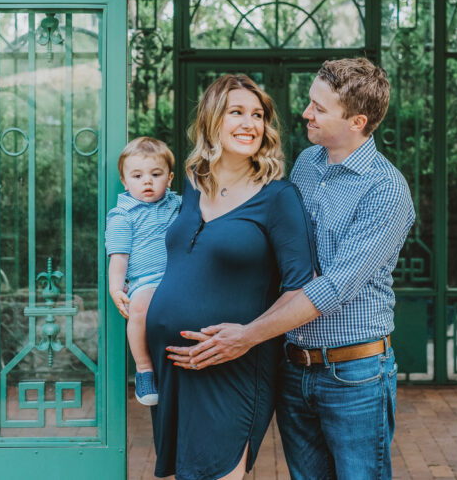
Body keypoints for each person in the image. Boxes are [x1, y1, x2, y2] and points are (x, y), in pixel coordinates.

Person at [168, 57, 415, 479]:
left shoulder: (386, 191)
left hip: (353, 375)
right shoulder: (307, 163)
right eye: (310, 102)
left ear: (357, 121)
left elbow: (334, 287)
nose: (306, 113)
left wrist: (247, 336)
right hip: (294, 367)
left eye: (319, 108)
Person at [146, 74, 317, 480]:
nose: (250, 123)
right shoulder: (190, 184)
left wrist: (246, 336)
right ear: (211, 121)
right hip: (175, 366)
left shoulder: (278, 198)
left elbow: (302, 287)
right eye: (236, 112)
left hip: (233, 365)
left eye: (258, 115)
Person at [105, 136, 181, 406]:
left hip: (178, 276)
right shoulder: (122, 215)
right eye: (137, 176)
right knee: (139, 309)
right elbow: (119, 258)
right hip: (145, 280)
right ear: (125, 182)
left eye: (156, 174)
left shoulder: (177, 204)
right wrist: (116, 288)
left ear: (170, 178)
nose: (147, 181)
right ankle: (144, 369)